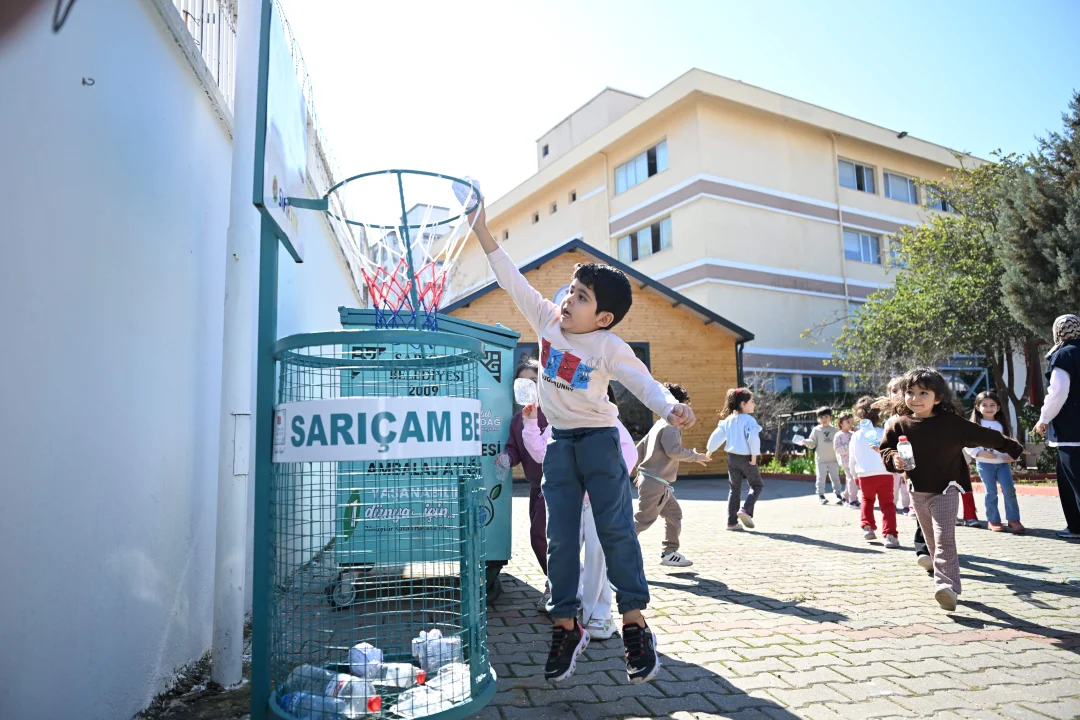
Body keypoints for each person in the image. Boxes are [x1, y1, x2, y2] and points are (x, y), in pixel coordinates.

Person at [470, 200, 696, 684]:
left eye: (582, 297)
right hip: (559, 444)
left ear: (604, 317)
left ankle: (635, 625)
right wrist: (482, 230)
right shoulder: (548, 321)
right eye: (571, 291)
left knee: (615, 532)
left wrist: (668, 407)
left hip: (598, 442)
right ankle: (565, 627)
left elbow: (644, 383)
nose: (569, 300)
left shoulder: (609, 348)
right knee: (560, 537)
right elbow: (512, 279)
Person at [881, 368, 1023, 611]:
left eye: (923, 393)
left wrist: (1012, 447)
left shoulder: (951, 423)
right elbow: (887, 449)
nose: (915, 398)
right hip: (917, 490)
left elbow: (982, 435)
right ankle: (943, 576)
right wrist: (893, 458)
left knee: (944, 537)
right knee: (932, 540)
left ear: (938, 398)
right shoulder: (899, 425)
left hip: (947, 488)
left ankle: (947, 587)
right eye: (910, 392)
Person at [523, 387, 640, 641]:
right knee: (565, 554)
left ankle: (599, 614)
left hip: (600, 503)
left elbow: (629, 455)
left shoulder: (608, 422)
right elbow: (542, 453)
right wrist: (531, 423)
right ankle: (570, 606)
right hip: (570, 502)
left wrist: (604, 485)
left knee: (599, 558)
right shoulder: (560, 424)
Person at [634, 382, 709, 567]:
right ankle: (612, 549)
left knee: (674, 514)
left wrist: (640, 472)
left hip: (657, 482)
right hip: (655, 483)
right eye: (684, 408)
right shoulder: (670, 426)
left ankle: (669, 553)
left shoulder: (658, 424)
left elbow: (639, 450)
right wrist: (695, 456)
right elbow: (673, 451)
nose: (686, 415)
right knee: (642, 521)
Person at [499, 358, 551, 610]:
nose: (529, 386)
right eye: (523, 382)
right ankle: (557, 583)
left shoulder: (555, 412)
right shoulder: (518, 419)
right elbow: (514, 449)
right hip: (536, 488)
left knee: (541, 536)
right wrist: (506, 458)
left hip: (559, 486)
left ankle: (560, 587)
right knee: (538, 539)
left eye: (534, 380)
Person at [1033, 314, 1080, 540]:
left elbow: (1058, 392)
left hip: (1072, 432)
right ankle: (1074, 526)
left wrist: (1043, 418)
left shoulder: (1063, 354)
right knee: (1066, 480)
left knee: (1075, 484)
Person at [966, 391, 1024, 534]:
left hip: (1002, 464)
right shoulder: (974, 425)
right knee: (991, 492)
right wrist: (979, 453)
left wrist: (1013, 456)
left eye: (992, 405)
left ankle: (1013, 519)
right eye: (984, 405)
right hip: (985, 464)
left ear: (998, 407)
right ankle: (993, 520)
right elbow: (967, 443)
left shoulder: (1002, 424)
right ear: (977, 407)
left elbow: (1012, 442)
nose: (988, 408)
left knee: (1009, 491)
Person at [706, 388, 764, 531]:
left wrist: (710, 451)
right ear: (743, 404)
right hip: (747, 458)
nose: (754, 404)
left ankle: (732, 522)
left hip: (732, 459)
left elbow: (716, 436)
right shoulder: (750, 420)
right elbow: (753, 438)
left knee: (734, 489)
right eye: (752, 402)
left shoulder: (728, 420)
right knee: (757, 485)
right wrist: (755, 455)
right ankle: (746, 510)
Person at [849, 396, 899, 548]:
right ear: (878, 413)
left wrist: (854, 474)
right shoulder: (883, 431)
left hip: (865, 474)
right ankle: (890, 535)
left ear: (858, 415)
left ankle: (867, 526)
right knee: (887, 505)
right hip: (884, 473)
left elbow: (852, 459)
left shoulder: (856, 436)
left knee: (867, 500)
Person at [800, 407, 843, 505]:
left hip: (833, 459)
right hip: (821, 460)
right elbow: (813, 443)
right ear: (818, 419)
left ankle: (838, 495)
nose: (824, 419)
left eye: (826, 417)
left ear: (831, 418)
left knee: (835, 478)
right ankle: (821, 495)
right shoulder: (816, 430)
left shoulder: (835, 429)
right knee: (820, 478)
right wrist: (805, 442)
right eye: (821, 417)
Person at [832, 412, 859, 508]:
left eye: (852, 422)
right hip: (845, 461)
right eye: (848, 422)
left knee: (850, 480)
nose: (850, 424)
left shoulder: (853, 433)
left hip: (854, 460)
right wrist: (850, 446)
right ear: (841, 423)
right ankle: (853, 500)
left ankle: (845, 496)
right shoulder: (838, 435)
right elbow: (837, 448)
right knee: (852, 479)